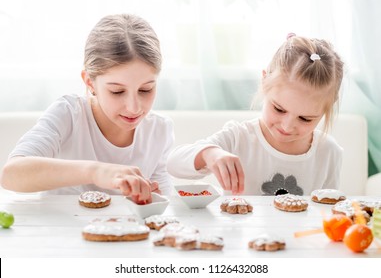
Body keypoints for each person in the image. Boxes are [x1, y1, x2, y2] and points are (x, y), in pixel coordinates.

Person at [0, 14, 174, 204]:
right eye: (117, 91)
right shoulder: (69, 114)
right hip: (61, 231)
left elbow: (164, 205)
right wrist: (96, 172)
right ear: (90, 82)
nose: (134, 108)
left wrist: (149, 198)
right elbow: (11, 175)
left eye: (145, 89)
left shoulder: (159, 130)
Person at [167, 34, 344, 196]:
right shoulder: (238, 138)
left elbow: (328, 213)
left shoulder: (329, 152)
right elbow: (173, 164)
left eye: (305, 119)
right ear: (264, 80)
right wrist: (209, 154)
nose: (287, 126)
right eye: (279, 109)